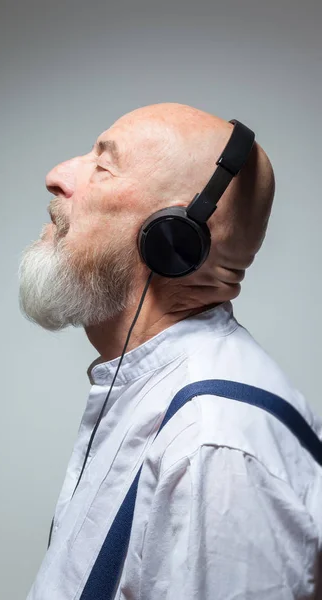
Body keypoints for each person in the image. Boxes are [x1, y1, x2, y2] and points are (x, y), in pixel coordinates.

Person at [18, 103, 322, 599]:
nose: (57, 177)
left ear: (172, 239)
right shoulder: (153, 391)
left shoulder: (212, 448)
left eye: (102, 166)